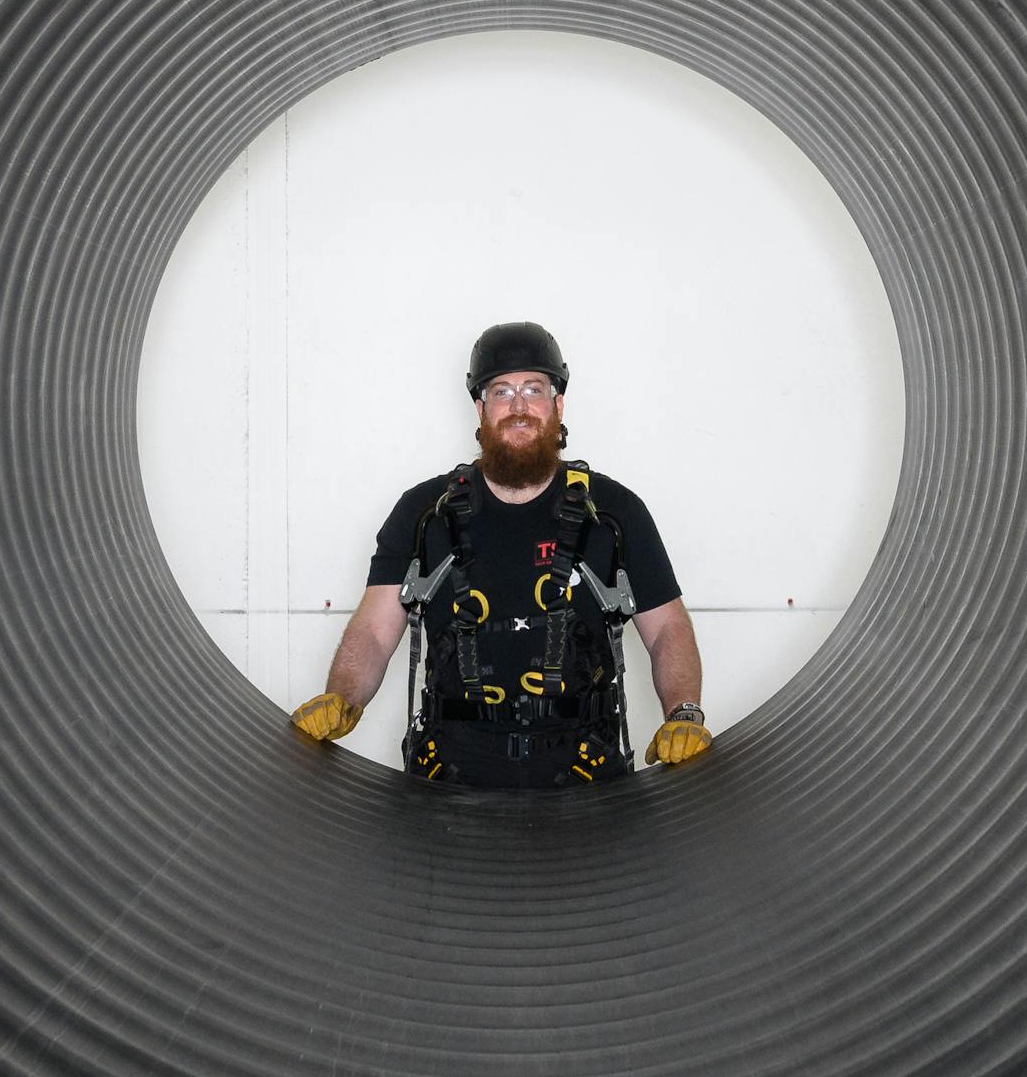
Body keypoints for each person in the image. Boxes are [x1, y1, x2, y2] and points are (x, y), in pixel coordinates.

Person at [288, 321, 711, 786]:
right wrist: (342, 697)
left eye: (534, 388)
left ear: (558, 404)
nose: (519, 406)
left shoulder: (612, 513)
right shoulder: (425, 514)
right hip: (450, 775)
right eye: (501, 391)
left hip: (586, 776)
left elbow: (667, 628)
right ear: (480, 408)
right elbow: (373, 629)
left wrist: (684, 713)